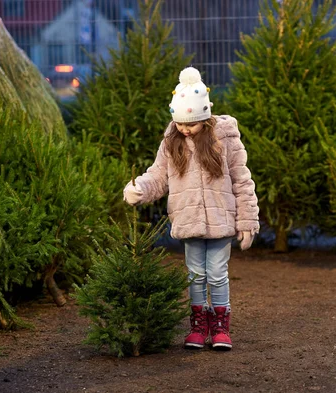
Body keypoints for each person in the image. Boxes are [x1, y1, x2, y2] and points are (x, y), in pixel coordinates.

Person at [123, 67, 260, 350]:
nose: (185, 129)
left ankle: (220, 327)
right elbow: (158, 176)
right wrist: (139, 189)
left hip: (221, 220)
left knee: (217, 273)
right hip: (188, 220)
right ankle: (198, 325)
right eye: (181, 123)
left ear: (205, 118)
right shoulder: (171, 140)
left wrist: (248, 221)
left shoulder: (225, 140)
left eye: (192, 124)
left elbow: (242, 180)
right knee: (195, 274)